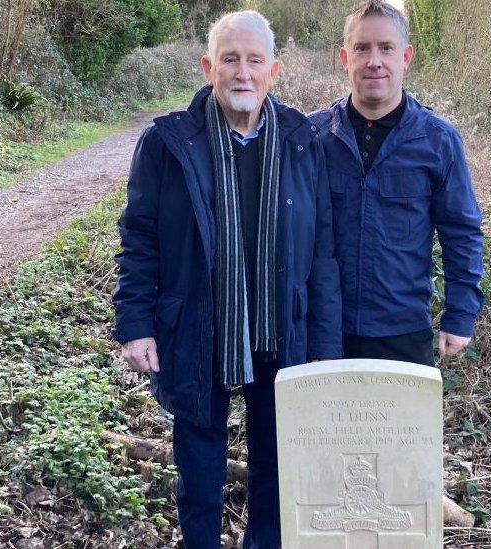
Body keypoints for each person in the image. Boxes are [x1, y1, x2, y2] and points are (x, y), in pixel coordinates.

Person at [112, 11, 341, 548]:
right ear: (207, 67)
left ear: (274, 71)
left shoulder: (302, 141)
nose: (243, 73)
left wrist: (326, 347)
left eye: (254, 61)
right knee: (198, 459)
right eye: (230, 59)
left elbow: (323, 253)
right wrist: (135, 324)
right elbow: (140, 238)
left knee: (277, 454)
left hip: (280, 323)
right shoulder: (168, 142)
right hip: (197, 319)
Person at [310, 0, 484, 367]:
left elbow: (462, 231)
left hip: (402, 331)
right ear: (344, 57)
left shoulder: (438, 141)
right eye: (362, 48)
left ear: (405, 56)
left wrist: (460, 313)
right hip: (321, 328)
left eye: (386, 48)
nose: (374, 61)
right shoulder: (312, 137)